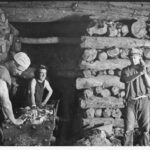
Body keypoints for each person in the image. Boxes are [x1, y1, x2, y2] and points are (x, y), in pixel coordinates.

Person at [120, 47, 150, 146]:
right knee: (128, 129)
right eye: (132, 58)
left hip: (144, 100)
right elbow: (126, 80)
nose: (133, 60)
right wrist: (139, 73)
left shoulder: (145, 69)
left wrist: (144, 72)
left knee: (145, 129)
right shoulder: (125, 70)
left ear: (140, 58)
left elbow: (149, 84)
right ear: (129, 58)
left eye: (135, 57)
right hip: (130, 102)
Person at [0, 52, 31, 144]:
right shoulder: (2, 73)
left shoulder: (3, 69)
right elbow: (5, 102)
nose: (20, 73)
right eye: (19, 70)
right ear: (13, 62)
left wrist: (6, 116)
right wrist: (14, 120)